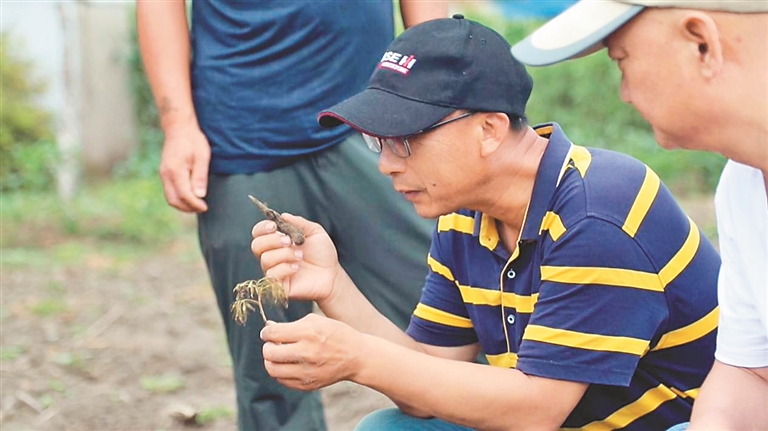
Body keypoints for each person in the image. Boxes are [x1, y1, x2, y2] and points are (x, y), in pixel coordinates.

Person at [250, 16, 721, 430]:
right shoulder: (464, 215)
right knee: (392, 428)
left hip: (681, 423)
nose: (386, 165)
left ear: (489, 130)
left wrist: (360, 356)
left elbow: (536, 410)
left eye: (404, 141)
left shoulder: (599, 213)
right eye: (379, 143)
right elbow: (425, 382)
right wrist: (334, 288)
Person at [135, 1, 447, 429]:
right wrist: (178, 124)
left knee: (448, 326)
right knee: (272, 367)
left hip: (371, 123)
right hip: (242, 137)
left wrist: (434, 94)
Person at [511, 1, 768, 429]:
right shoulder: (742, 182)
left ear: (701, 43)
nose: (624, 93)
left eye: (621, 61)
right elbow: (752, 372)